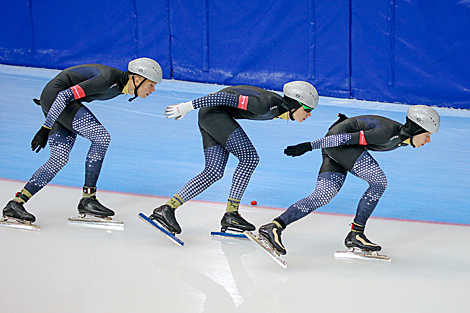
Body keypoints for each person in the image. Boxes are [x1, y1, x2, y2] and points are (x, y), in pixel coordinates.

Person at [257, 105, 440, 255]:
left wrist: (347, 123)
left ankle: (273, 227)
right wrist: (308, 146)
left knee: (322, 195)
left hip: (340, 146)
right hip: (339, 144)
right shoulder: (388, 134)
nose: (428, 141)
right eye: (427, 135)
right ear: (416, 129)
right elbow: (344, 138)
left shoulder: (400, 137)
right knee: (379, 181)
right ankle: (356, 234)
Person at [2, 58, 163, 225]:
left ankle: (15, 204)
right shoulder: (108, 80)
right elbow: (64, 95)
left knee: (59, 159)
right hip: (58, 99)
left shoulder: (118, 87)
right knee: (101, 137)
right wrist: (45, 127)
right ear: (137, 79)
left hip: (60, 101)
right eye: (151, 84)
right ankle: (88, 199)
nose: (152, 90)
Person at [148, 81, 319, 235]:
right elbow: (222, 97)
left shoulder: (278, 108)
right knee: (250, 158)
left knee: (213, 172)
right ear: (295, 104)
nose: (309, 114)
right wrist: (187, 106)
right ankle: (231, 214)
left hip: (213, 115)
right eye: (308, 109)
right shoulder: (266, 105)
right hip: (214, 113)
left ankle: (167, 209)